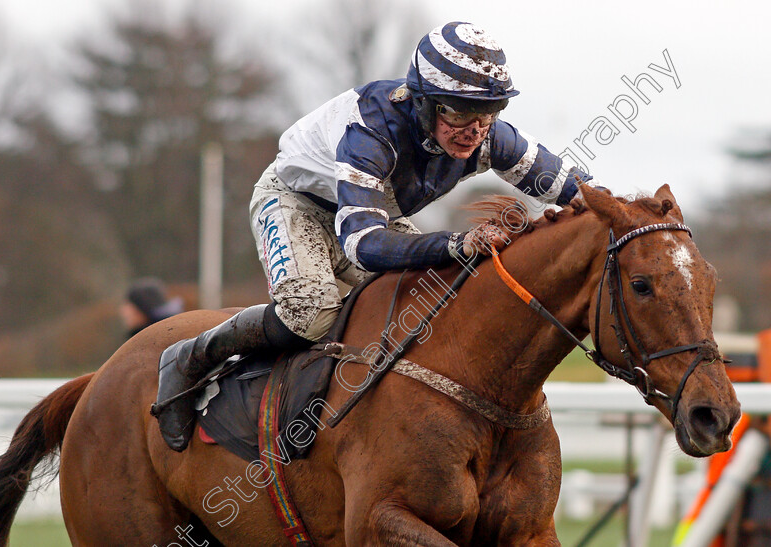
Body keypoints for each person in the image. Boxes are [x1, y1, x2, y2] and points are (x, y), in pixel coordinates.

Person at [154, 21, 599, 451]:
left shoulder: (486, 134)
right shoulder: (370, 129)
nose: (476, 129)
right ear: (424, 104)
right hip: (298, 202)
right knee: (309, 312)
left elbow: (578, 191)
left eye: (489, 113)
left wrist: (633, 221)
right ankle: (192, 356)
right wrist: (455, 242)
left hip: (370, 213)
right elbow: (364, 245)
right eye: (461, 113)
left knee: (434, 301)